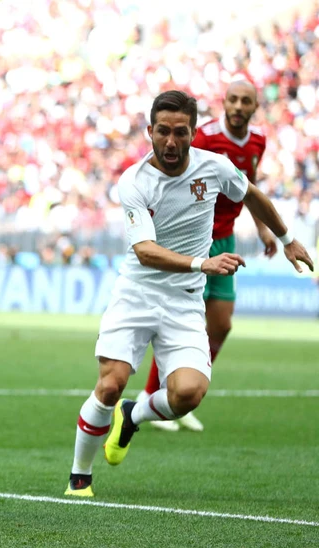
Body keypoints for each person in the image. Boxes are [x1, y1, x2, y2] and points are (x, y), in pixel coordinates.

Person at [65, 90, 313, 497]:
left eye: (180, 132)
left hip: (182, 301)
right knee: (111, 384)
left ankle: (134, 415)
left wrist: (287, 239)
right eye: (163, 131)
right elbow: (145, 252)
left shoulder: (214, 167)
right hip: (137, 294)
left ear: (193, 133)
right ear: (149, 131)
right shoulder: (134, 181)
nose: (171, 141)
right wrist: (202, 263)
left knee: (188, 394)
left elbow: (251, 194)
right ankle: (80, 477)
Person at [137, 80, 274, 432]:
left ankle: (180, 392)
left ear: (255, 107)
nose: (238, 106)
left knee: (221, 324)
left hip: (225, 240)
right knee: (182, 320)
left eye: (246, 101)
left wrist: (262, 229)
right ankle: (155, 394)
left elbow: (248, 186)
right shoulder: (206, 137)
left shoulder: (258, 141)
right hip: (194, 241)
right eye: (233, 99)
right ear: (224, 103)